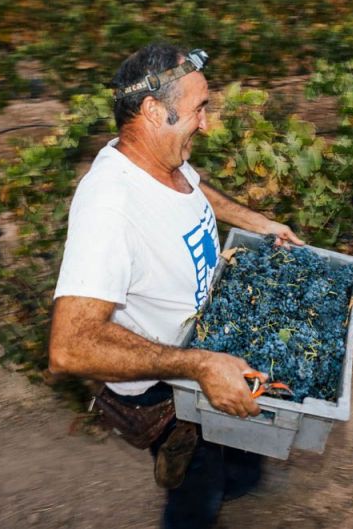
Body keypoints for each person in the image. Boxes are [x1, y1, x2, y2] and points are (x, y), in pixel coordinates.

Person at [48, 42, 303, 529]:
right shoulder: (110, 207)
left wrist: (259, 221)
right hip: (164, 385)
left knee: (239, 447)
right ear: (151, 110)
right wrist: (199, 364)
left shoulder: (160, 156)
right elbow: (69, 346)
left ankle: (240, 480)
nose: (206, 123)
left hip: (203, 348)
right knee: (197, 485)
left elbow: (193, 187)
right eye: (198, 110)